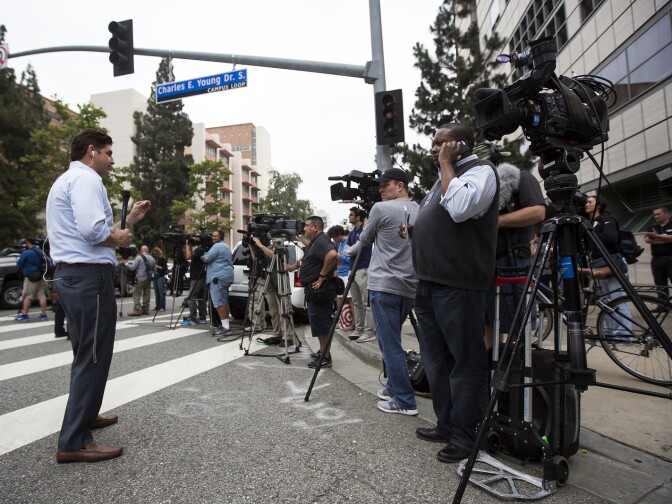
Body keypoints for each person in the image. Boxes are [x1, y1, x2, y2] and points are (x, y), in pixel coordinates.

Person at [46, 128, 151, 463]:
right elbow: (94, 232)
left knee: (86, 352)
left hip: (72, 276)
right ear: (91, 151)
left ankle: (86, 416)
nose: (112, 159)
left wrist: (129, 220)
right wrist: (120, 238)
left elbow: (91, 227)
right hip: (88, 277)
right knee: (92, 357)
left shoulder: (66, 180)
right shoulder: (88, 180)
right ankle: (74, 440)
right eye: (108, 152)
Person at [408, 123, 499, 463]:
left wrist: (447, 165)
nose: (434, 148)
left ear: (460, 145)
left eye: (441, 143)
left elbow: (461, 209)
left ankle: (466, 434)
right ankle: (446, 424)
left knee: (465, 362)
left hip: (458, 283)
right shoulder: (444, 177)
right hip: (430, 282)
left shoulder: (480, 171)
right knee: (437, 361)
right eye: (433, 143)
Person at [345, 168, 419, 415]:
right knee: (393, 340)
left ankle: (404, 400)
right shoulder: (419, 209)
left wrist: (347, 251)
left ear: (400, 186)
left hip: (384, 285)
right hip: (409, 286)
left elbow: (363, 240)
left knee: (390, 345)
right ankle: (393, 387)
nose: (380, 189)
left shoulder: (380, 209)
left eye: (385, 185)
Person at [474, 144, 545, 354]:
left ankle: (517, 369)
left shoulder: (521, 177)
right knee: (488, 320)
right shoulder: (478, 186)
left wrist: (497, 221)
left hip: (512, 261)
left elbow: (538, 211)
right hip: (484, 262)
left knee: (516, 321)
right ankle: (490, 365)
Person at [291, 216, 338, 368]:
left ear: (315, 227)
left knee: (322, 323)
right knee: (318, 323)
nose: (304, 229)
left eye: (306, 226)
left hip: (321, 290)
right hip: (314, 290)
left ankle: (326, 356)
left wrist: (322, 277)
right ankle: (323, 351)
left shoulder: (322, 240)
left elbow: (332, 255)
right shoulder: (317, 242)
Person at [584, 195, 631, 334]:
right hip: (599, 263)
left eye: (590, 202)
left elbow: (611, 238)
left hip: (612, 262)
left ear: (599, 205)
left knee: (618, 299)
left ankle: (623, 334)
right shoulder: (592, 222)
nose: (587, 204)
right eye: (586, 202)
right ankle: (611, 331)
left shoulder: (606, 219)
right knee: (606, 300)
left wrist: (592, 234)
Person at [346, 207, 376, 342]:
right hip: (353, 269)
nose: (349, 216)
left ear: (358, 217)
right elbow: (348, 249)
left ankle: (369, 331)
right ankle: (359, 328)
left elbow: (353, 249)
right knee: (357, 302)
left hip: (363, 268)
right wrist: (350, 251)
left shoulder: (365, 231)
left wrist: (350, 251)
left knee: (366, 302)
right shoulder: (353, 232)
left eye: (351, 214)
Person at [201, 230, 234, 336]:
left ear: (221, 236)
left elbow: (206, 259)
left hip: (218, 276)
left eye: (216, 236)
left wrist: (201, 255)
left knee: (219, 302)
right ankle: (226, 325)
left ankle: (225, 327)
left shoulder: (217, 246)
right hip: (225, 276)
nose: (213, 238)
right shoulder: (225, 246)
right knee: (224, 302)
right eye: (213, 236)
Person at [15, 237, 49, 322]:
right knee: (41, 295)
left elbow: (19, 264)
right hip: (41, 275)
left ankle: (25, 315)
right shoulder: (40, 251)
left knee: (28, 295)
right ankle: (43, 315)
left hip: (31, 276)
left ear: (28, 243)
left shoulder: (26, 253)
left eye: (25, 243)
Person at [328, 224, 353, 331]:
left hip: (347, 273)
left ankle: (353, 323)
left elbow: (349, 259)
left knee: (350, 299)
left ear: (338, 235)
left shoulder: (347, 242)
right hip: (340, 273)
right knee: (339, 298)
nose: (334, 240)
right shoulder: (339, 244)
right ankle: (341, 320)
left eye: (334, 237)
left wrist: (339, 256)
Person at [644, 207, 672, 302]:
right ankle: (663, 305)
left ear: (666, 214)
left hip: (670, 259)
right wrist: (666, 239)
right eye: (654, 215)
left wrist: (656, 237)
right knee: (660, 284)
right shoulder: (653, 227)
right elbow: (647, 240)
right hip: (657, 260)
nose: (656, 216)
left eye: (658, 214)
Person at [180, 237, 208, 326]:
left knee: (191, 297)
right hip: (202, 277)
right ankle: (202, 318)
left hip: (197, 278)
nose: (195, 239)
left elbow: (188, 256)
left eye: (197, 238)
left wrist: (187, 245)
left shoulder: (200, 249)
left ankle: (192, 318)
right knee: (200, 298)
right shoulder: (204, 249)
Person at [123, 245, 156, 316]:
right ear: (147, 250)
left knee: (136, 293)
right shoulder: (152, 258)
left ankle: (137, 309)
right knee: (147, 294)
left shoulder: (139, 257)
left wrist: (126, 263)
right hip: (149, 278)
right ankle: (145, 309)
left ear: (141, 251)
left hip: (140, 278)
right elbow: (155, 270)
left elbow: (132, 268)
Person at [151, 247, 168, 311]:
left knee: (161, 292)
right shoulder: (154, 259)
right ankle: (157, 306)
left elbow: (165, 268)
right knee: (156, 293)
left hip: (160, 276)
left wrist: (157, 266)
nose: (155, 255)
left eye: (156, 253)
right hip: (155, 277)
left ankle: (162, 306)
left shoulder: (162, 259)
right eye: (154, 254)